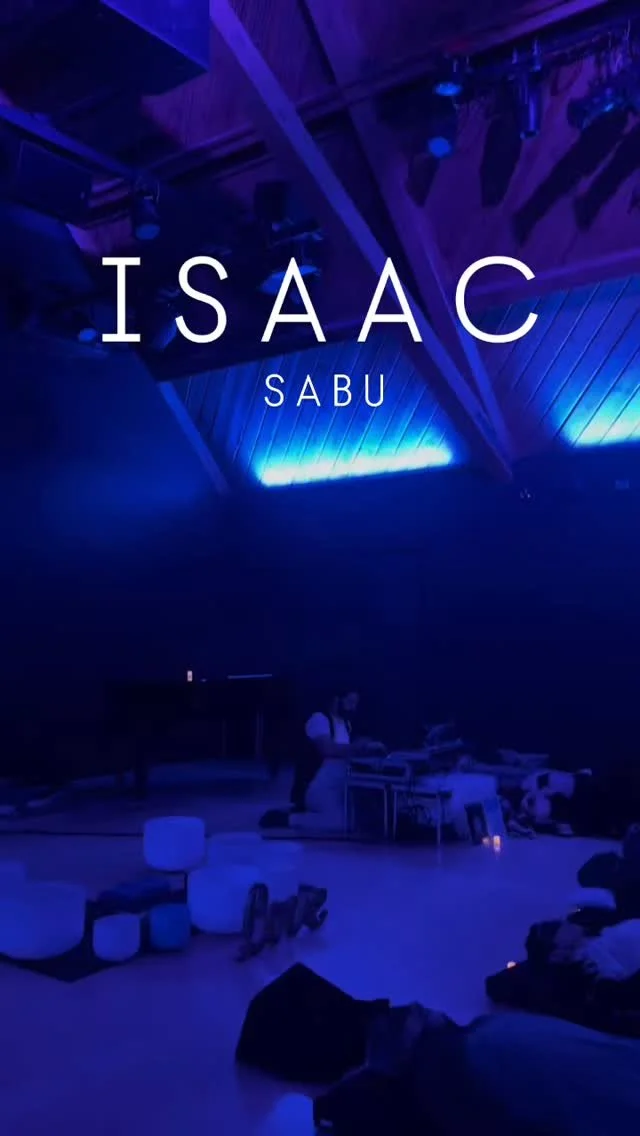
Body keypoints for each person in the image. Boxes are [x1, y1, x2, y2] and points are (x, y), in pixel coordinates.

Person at [289, 689, 386, 830]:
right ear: (336, 700)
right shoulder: (319, 719)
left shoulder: (346, 724)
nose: (353, 708)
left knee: (361, 815)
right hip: (316, 785)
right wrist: (359, 747)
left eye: (355, 704)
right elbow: (328, 749)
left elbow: (347, 751)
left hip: (337, 785)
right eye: (350, 702)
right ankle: (290, 819)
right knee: (341, 821)